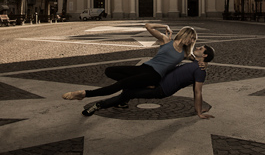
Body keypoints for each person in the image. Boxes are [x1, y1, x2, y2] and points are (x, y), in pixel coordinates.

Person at [62, 23, 197, 101]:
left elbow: (198, 60)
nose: (191, 41)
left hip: (154, 75)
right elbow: (148, 26)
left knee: (120, 84)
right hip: (144, 67)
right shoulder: (166, 40)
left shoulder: (185, 53)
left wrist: (202, 63)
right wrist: (165, 26)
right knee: (109, 71)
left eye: (193, 40)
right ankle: (140, 85)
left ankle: (85, 94)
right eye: (191, 38)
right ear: (184, 34)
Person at [82, 44, 215, 119]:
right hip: (155, 81)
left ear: (205, 55)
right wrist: (205, 62)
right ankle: (121, 102)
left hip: (160, 89)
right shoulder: (197, 64)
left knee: (128, 93)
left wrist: (198, 111)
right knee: (128, 85)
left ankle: (98, 106)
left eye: (200, 48)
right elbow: (190, 58)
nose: (197, 47)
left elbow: (197, 91)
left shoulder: (200, 70)